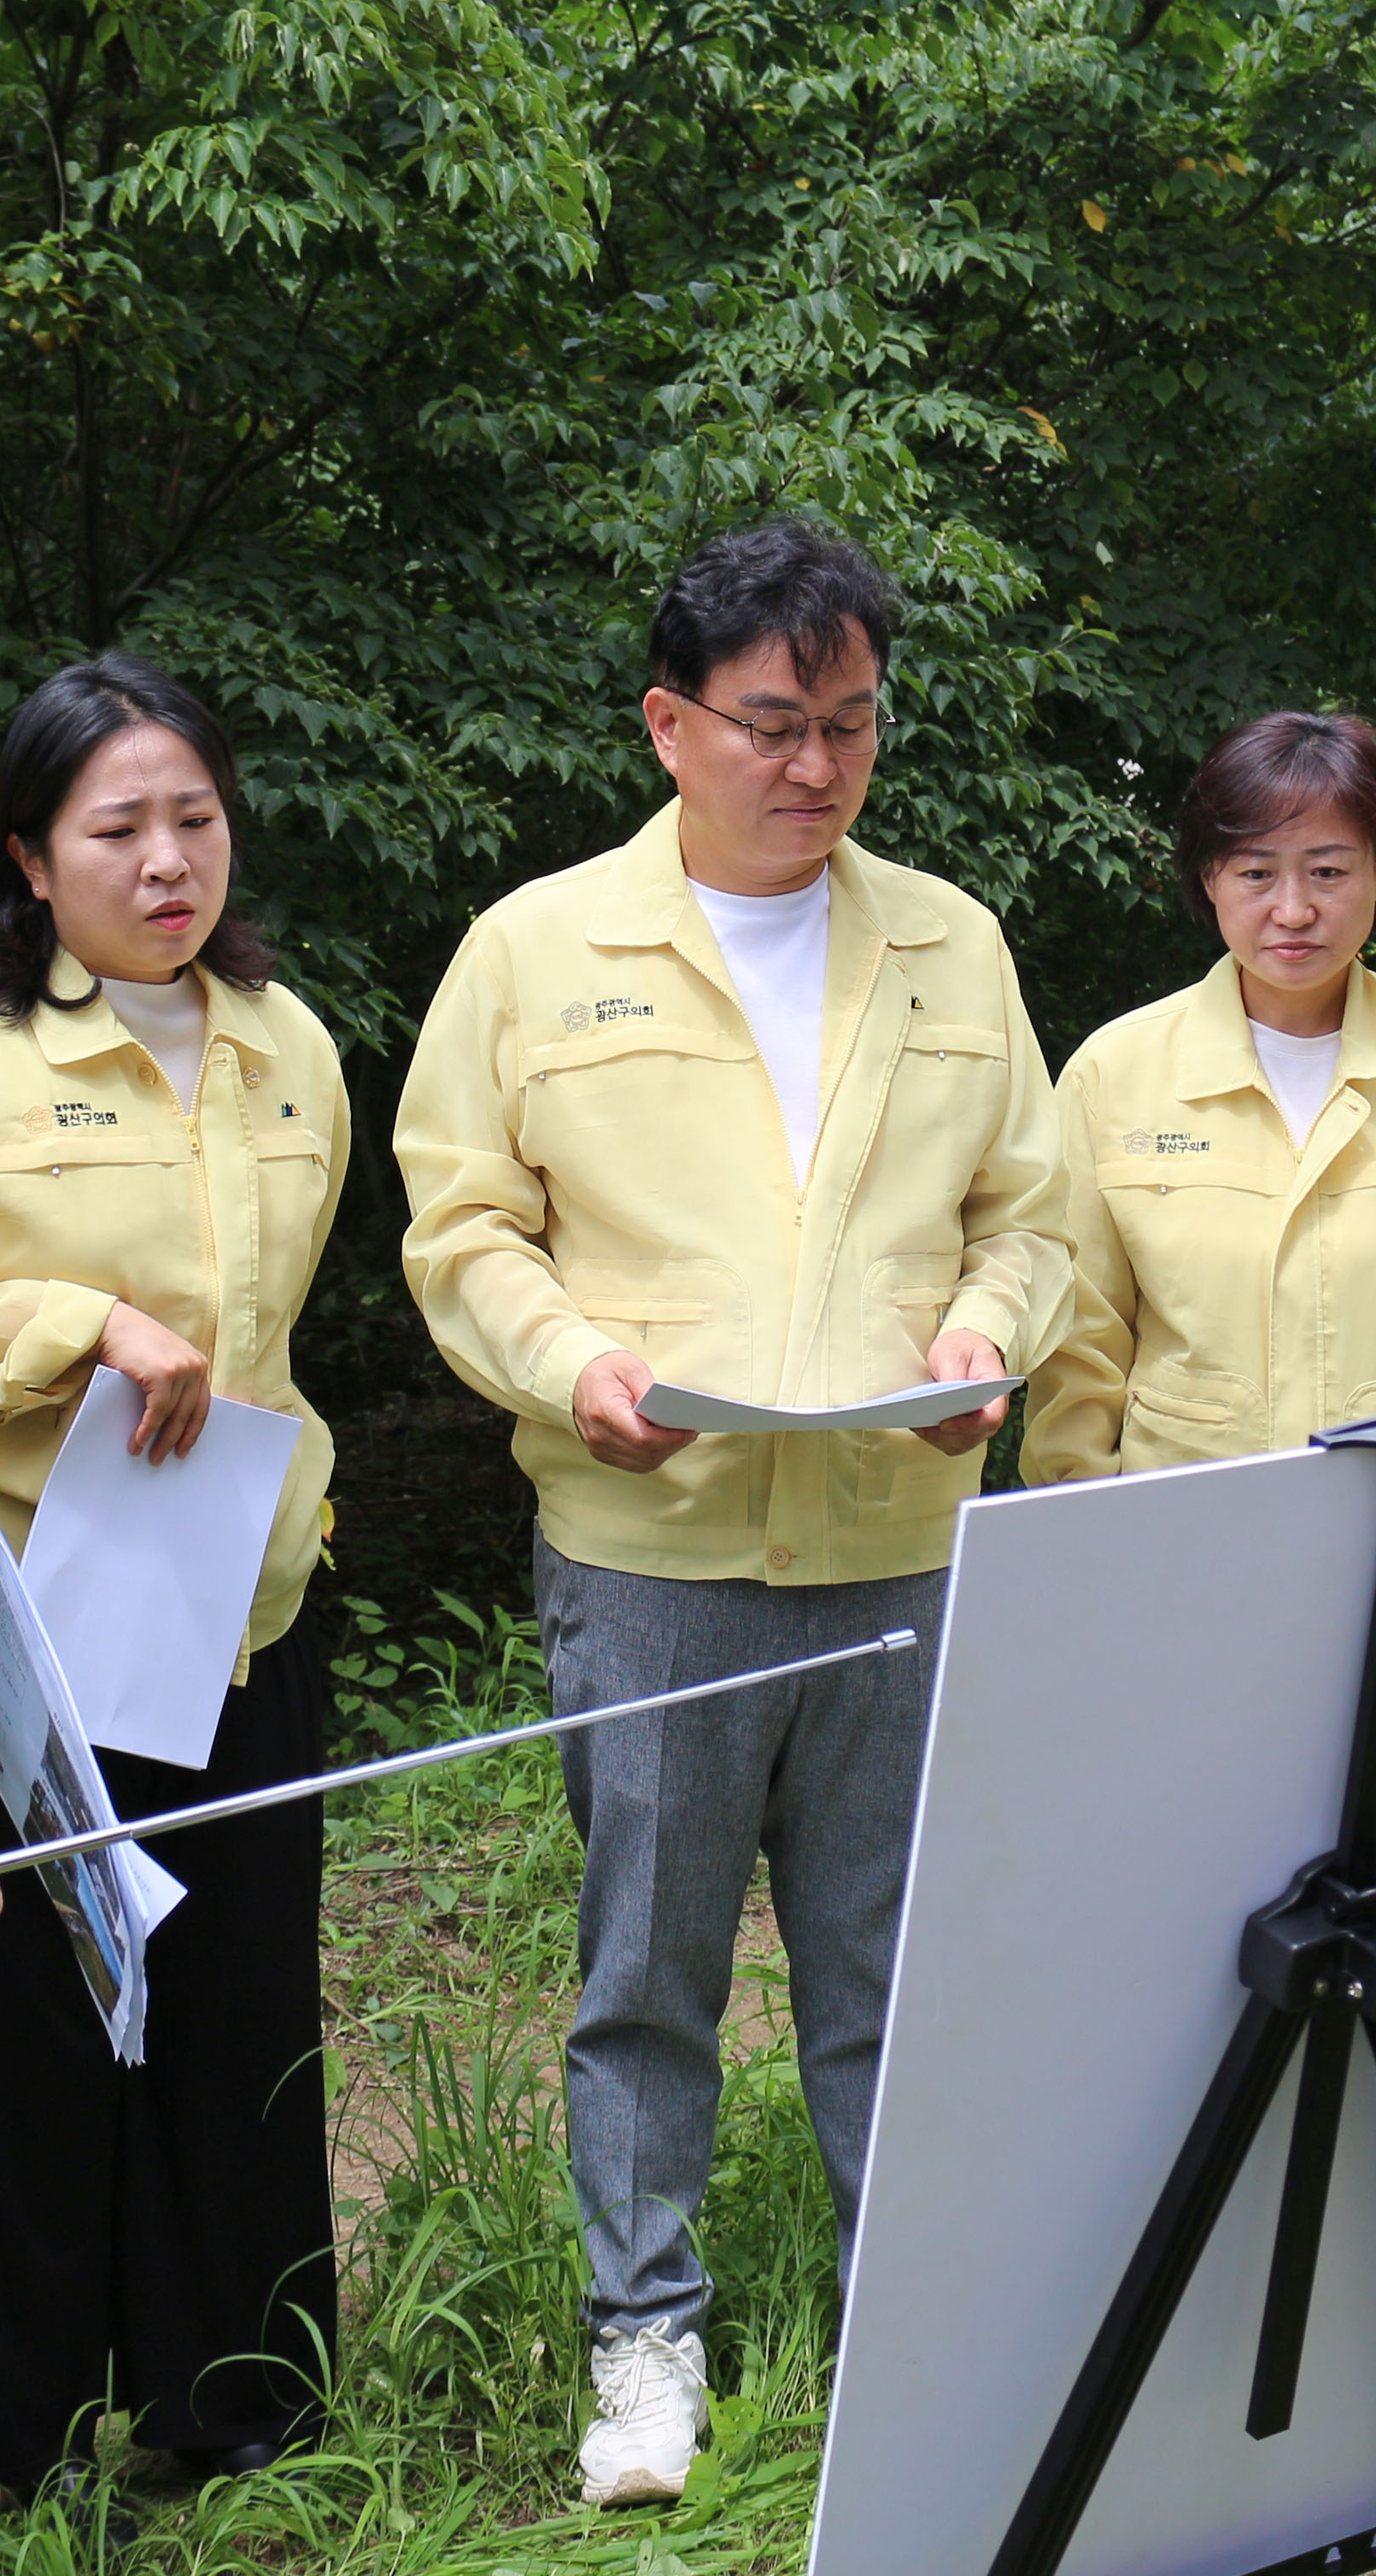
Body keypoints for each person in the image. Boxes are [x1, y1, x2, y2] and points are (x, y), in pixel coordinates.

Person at [395, 517, 1070, 2508]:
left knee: (894, 1965)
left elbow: (1029, 1212)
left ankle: (917, 2322)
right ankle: (643, 2336)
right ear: (668, 724)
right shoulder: (536, 952)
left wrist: (981, 1332)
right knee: (645, 1973)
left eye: (852, 724)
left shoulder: (950, 940)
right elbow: (461, 1219)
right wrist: (564, 1362)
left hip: (895, 1543)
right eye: (773, 725)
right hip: (653, 1545)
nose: (818, 767)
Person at [0, 655, 349, 2500]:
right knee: (24, 2049)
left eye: (194, 819)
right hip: (25, 1643)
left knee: (238, 2018)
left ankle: (240, 2415)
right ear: (27, 856)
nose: (167, 862)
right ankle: (22, 2451)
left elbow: (285, 1326)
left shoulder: (288, 1041)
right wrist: (81, 1326)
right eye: (117, 827)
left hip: (240, 1616)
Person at [1025, 709, 1376, 1482]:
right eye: (1256, 873)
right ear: (1208, 877)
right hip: (1186, 1528)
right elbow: (1080, 1346)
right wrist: (1083, 1534)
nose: (1292, 910)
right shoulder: (1114, 1073)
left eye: (1327, 871)